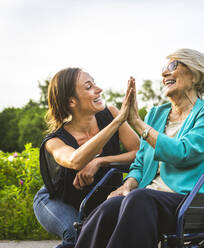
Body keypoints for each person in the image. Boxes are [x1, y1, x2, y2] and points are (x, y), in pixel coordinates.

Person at [75, 48, 204, 248]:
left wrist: (138, 124)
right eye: (163, 69)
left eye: (172, 66)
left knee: (140, 199)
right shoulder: (156, 115)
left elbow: (184, 153)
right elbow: (140, 163)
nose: (164, 73)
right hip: (149, 197)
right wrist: (128, 184)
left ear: (195, 74)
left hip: (192, 199)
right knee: (110, 207)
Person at [33, 68, 140, 248]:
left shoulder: (110, 114)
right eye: (89, 87)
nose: (99, 90)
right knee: (77, 235)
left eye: (94, 83)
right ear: (72, 101)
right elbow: (75, 161)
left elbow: (139, 152)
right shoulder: (55, 141)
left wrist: (99, 161)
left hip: (95, 199)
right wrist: (117, 122)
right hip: (57, 200)